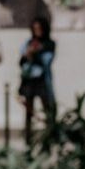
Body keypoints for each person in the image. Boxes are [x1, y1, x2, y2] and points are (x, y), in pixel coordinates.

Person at [18, 16, 56, 145]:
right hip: (29, 80)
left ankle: (50, 136)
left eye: (39, 28)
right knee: (29, 110)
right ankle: (28, 138)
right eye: (35, 28)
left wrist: (35, 53)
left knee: (47, 108)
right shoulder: (28, 43)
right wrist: (28, 54)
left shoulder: (48, 44)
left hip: (42, 81)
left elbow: (46, 62)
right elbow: (21, 62)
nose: (37, 31)